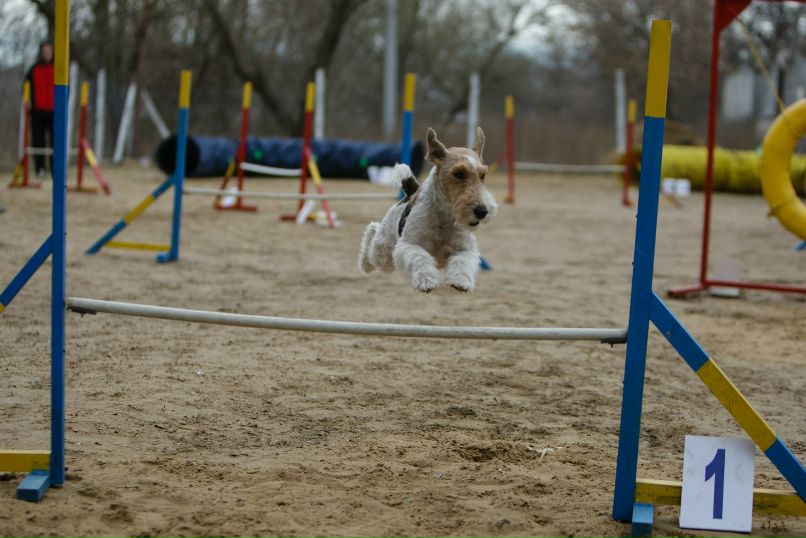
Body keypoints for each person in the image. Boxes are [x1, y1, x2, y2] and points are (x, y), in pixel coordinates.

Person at [25, 40, 55, 177]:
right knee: (38, 141)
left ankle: (56, 169)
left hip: (54, 111)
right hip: (38, 111)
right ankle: (40, 169)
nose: (47, 54)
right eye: (45, 51)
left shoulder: (58, 69)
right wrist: (29, 101)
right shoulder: (34, 69)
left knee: (56, 141)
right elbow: (26, 87)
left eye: (49, 51)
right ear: (41, 52)